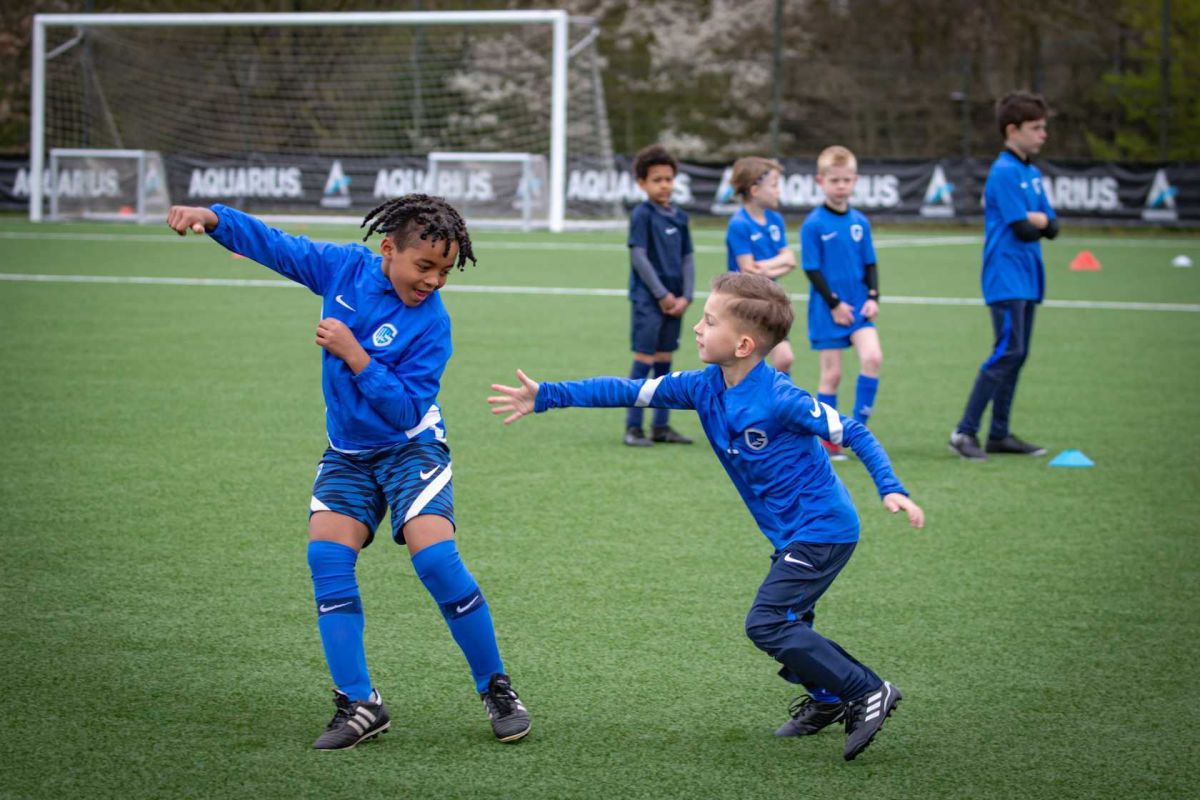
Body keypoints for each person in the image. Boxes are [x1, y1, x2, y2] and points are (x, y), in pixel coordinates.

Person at [488, 272, 924, 762]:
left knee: (766, 623)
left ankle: (865, 690)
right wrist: (547, 395)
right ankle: (826, 697)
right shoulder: (702, 387)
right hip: (790, 533)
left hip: (823, 530)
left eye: (709, 320)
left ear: (742, 344)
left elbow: (855, 434)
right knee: (792, 623)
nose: (697, 327)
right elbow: (629, 391)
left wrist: (892, 489)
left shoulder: (782, 399)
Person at [166, 195, 531, 750]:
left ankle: (496, 686)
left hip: (411, 448)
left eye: (445, 271)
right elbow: (277, 247)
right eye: (424, 266)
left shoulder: (433, 325)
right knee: (327, 558)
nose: (433, 280)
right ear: (388, 249)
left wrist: (356, 354)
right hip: (349, 452)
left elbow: (407, 410)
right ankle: (359, 702)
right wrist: (215, 219)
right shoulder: (343, 269)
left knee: (435, 557)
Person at [948, 91, 1058, 461]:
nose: (1043, 134)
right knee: (1007, 351)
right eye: (1036, 128)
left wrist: (1040, 221)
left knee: (1018, 354)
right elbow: (1025, 228)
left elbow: (1052, 225)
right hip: (1005, 277)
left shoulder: (1031, 171)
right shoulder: (1004, 172)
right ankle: (964, 432)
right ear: (1012, 130)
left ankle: (999, 434)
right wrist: (1038, 221)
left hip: (1029, 277)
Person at [800, 146, 883, 462]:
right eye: (834, 180)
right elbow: (811, 268)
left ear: (855, 180)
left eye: (846, 180)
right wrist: (834, 304)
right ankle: (828, 439)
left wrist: (873, 298)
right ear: (820, 181)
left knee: (873, 357)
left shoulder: (860, 221)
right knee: (831, 376)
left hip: (860, 307)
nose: (841, 186)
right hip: (827, 309)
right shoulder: (814, 224)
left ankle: (858, 433)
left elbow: (870, 264)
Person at [622, 143, 695, 447]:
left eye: (668, 179)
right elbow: (639, 256)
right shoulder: (642, 215)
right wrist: (662, 294)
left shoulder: (679, 217)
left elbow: (687, 257)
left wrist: (686, 295)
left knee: (665, 362)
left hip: (675, 302)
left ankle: (661, 426)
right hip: (648, 302)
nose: (665, 185)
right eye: (657, 180)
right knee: (644, 361)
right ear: (642, 183)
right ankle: (633, 427)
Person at [724, 156, 798, 376]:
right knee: (748, 368)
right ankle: (752, 407)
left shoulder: (775, 220)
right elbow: (748, 269)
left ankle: (780, 406)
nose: (779, 192)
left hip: (769, 302)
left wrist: (764, 268)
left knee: (784, 359)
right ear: (755, 190)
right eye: (774, 186)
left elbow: (791, 260)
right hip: (744, 304)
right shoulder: (739, 224)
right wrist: (776, 265)